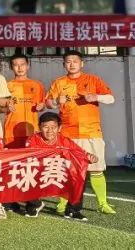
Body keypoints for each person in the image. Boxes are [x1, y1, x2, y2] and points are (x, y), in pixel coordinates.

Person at [46, 51, 116, 215]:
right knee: (68, 170)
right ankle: (63, 203)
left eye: (75, 61)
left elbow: (111, 98)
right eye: (68, 61)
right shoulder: (59, 82)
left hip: (91, 132)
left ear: (82, 63)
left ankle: (103, 203)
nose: (72, 64)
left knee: (96, 169)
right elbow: (48, 103)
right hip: (68, 134)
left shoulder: (93, 80)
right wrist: (56, 102)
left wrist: (96, 97)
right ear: (64, 64)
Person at [24, 112, 98, 221]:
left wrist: (90, 157)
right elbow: (27, 159)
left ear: (59, 128)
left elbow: (80, 153)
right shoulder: (32, 140)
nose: (49, 131)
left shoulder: (65, 141)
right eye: (45, 127)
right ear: (39, 127)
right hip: (40, 173)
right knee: (25, 172)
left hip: (58, 173)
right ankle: (34, 205)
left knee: (81, 173)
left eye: (53, 127)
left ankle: (73, 210)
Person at [4, 54, 45, 148]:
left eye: (22, 64)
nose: (19, 68)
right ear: (11, 67)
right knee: (14, 156)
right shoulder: (6, 86)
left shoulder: (37, 85)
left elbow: (42, 105)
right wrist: (6, 108)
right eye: (16, 65)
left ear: (28, 66)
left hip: (32, 128)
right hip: (12, 129)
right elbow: (1, 108)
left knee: (32, 156)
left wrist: (41, 106)